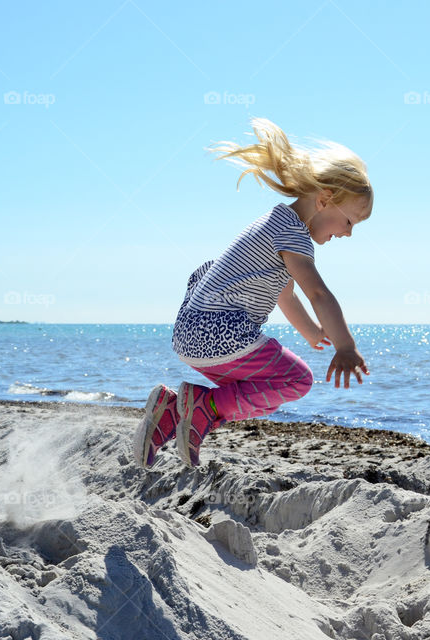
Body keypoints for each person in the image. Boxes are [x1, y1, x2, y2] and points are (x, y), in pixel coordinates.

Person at [132, 118, 372, 469]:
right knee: (295, 380)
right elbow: (317, 292)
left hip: (190, 335)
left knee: (260, 395)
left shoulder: (274, 225)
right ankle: (202, 406)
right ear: (325, 200)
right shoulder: (293, 236)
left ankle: (171, 411)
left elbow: (286, 297)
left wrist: (312, 333)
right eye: (349, 221)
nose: (349, 234)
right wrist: (345, 347)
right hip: (220, 331)